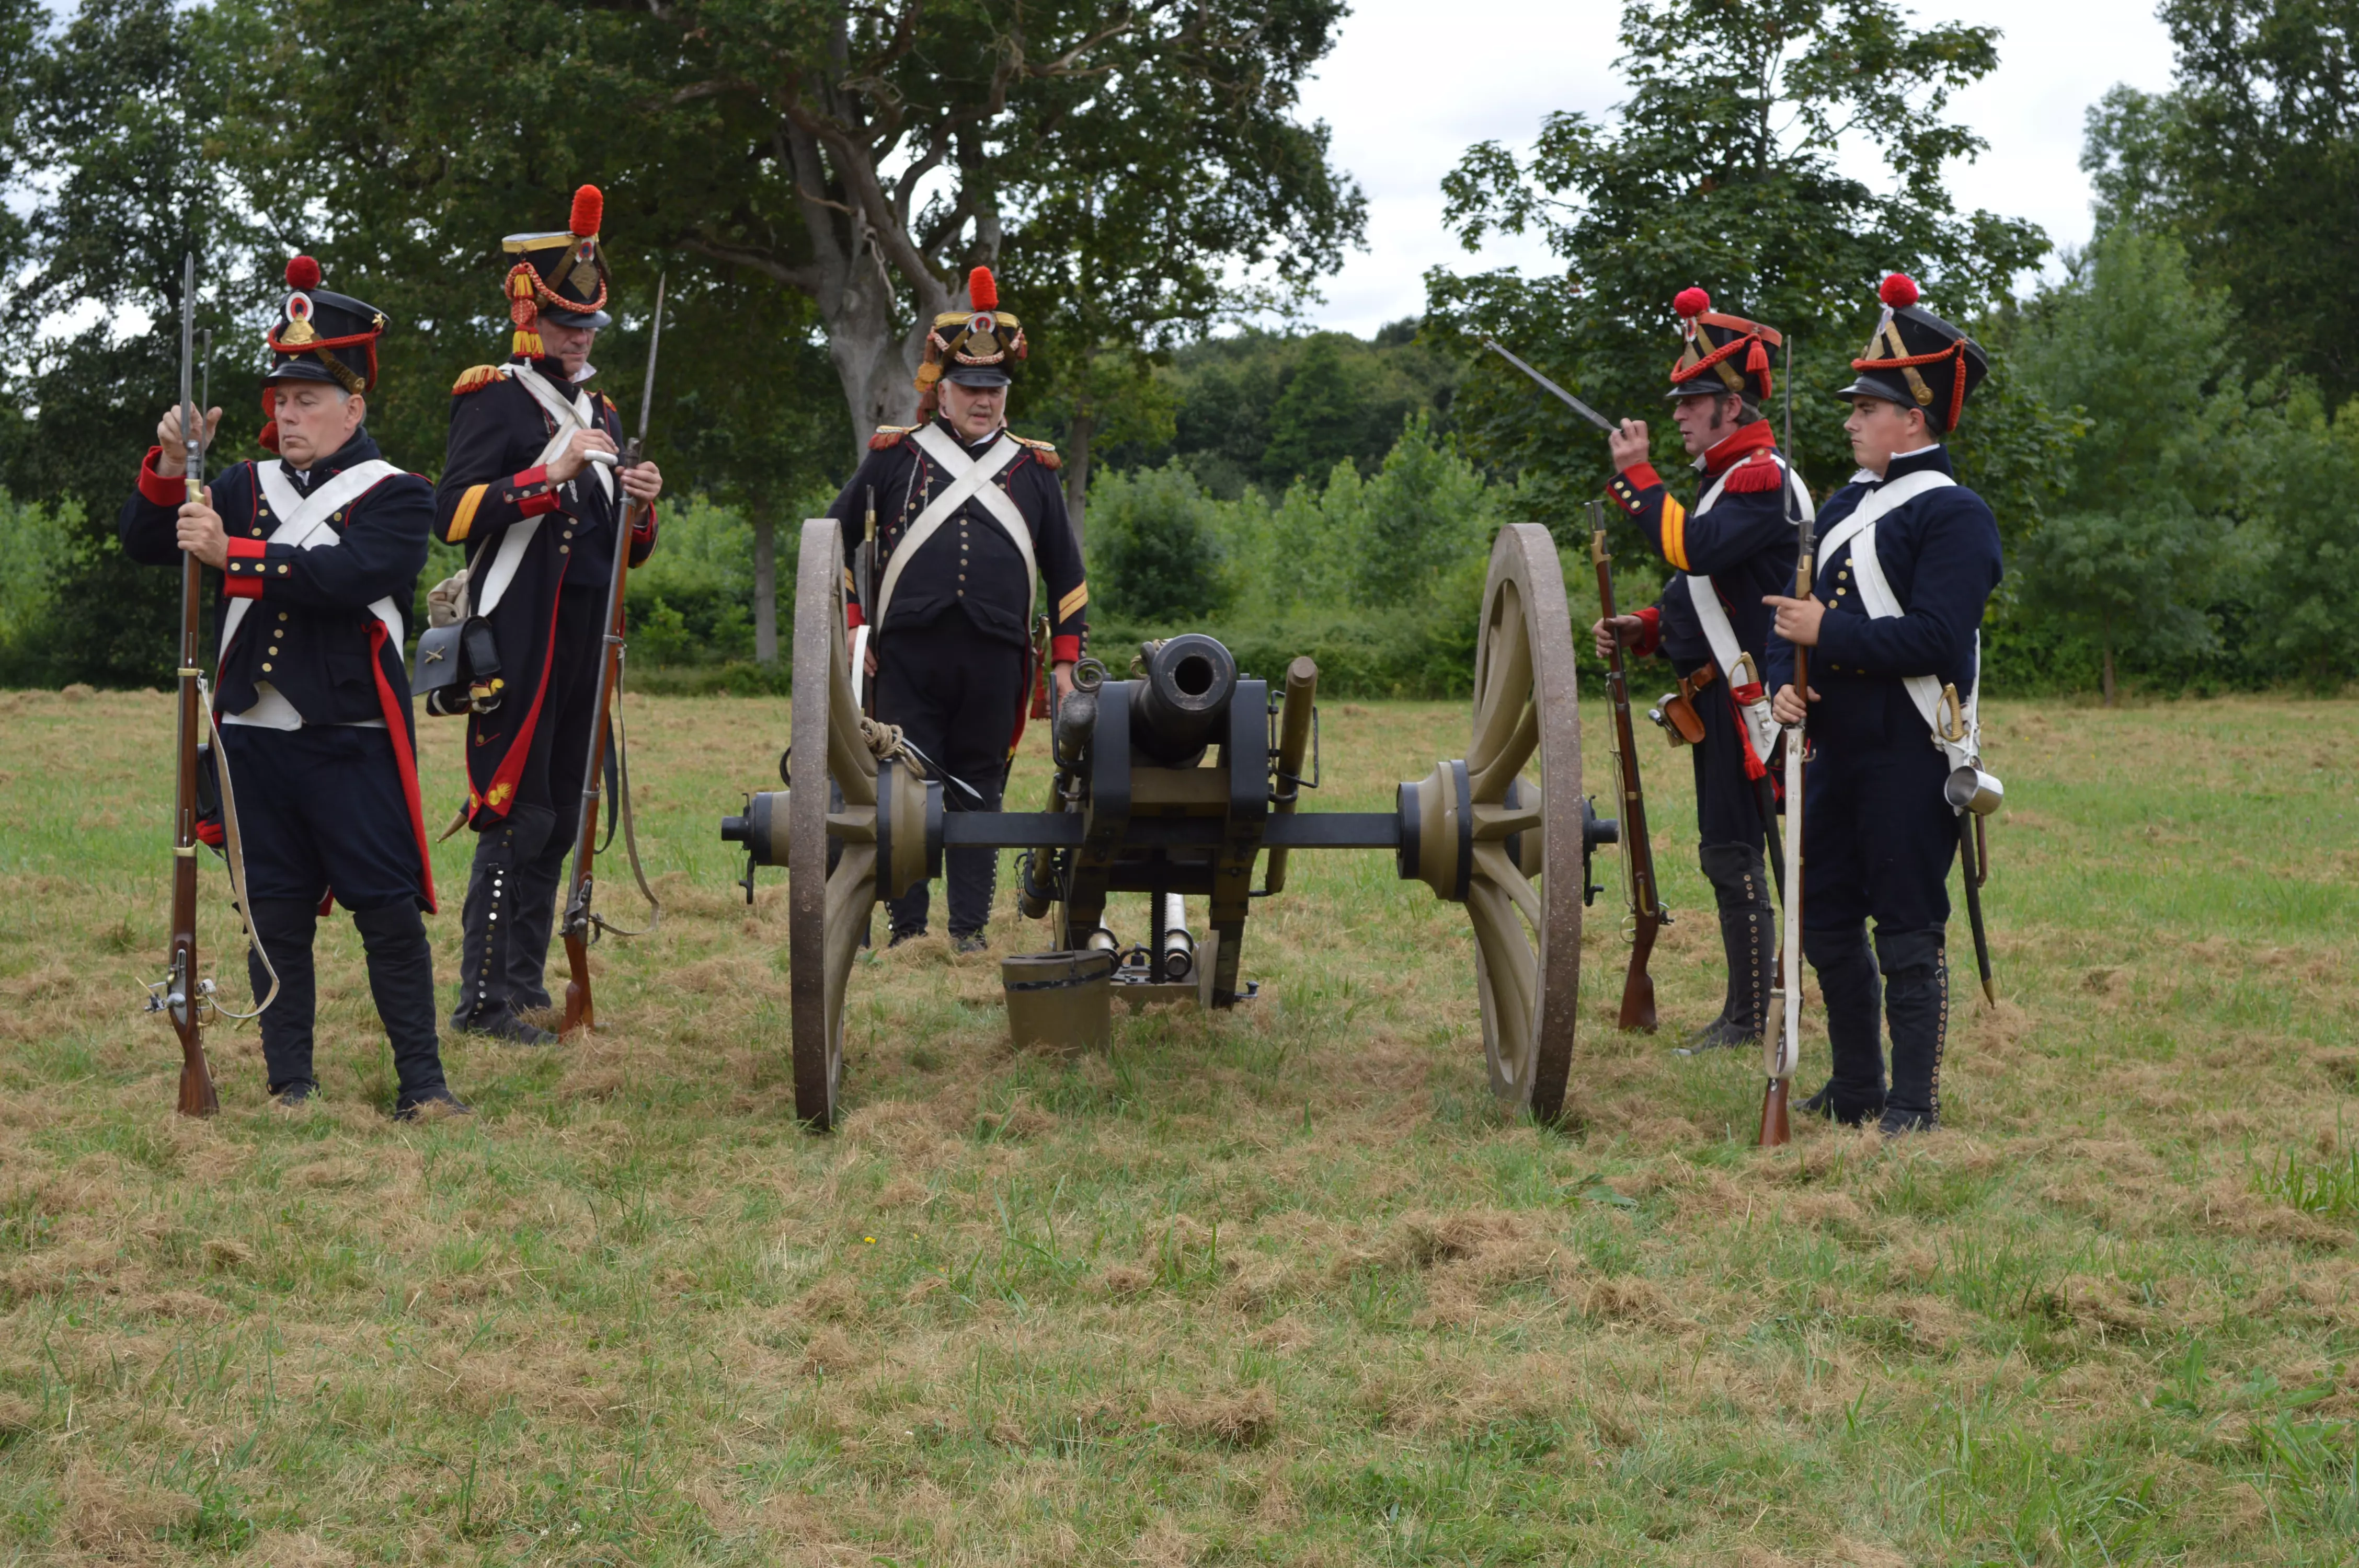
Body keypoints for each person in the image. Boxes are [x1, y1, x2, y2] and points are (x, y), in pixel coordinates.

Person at [118, 256, 463, 1116]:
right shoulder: (239, 485)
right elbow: (145, 544)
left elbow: (347, 576)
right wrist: (168, 464)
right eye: (279, 399)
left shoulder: (400, 497)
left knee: (386, 917)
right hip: (254, 746)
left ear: (354, 406)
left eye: (307, 399)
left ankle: (421, 1085)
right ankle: (290, 1084)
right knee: (274, 920)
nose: (287, 413)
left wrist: (230, 554)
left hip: (353, 740)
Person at [1764, 272, 2002, 1135]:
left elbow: (1938, 639)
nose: (1852, 420)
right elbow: (1791, 620)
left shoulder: (1954, 515)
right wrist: (1782, 679)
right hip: (1832, 745)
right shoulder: (1839, 508)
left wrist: (1827, 633)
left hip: (1907, 749)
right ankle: (1857, 1086)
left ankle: (1913, 1102)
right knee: (1824, 916)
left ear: (1916, 418)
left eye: (1868, 407)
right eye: (1855, 407)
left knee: (1905, 927)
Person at [431, 184, 663, 1044]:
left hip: (584, 648)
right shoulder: (492, 398)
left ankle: (522, 984)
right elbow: (452, 516)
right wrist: (545, 477)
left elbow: (618, 551)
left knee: (562, 814)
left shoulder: (600, 412)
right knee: (512, 811)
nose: (578, 338)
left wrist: (643, 501)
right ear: (532, 315)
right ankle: (482, 998)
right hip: (517, 642)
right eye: (566, 322)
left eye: (589, 326)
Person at [828, 266, 1087, 952]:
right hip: (907, 655)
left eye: (994, 390)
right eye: (970, 388)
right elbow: (830, 544)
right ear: (940, 391)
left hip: (999, 658)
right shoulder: (893, 459)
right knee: (906, 793)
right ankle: (909, 930)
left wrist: (1065, 663)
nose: (983, 401)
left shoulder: (1034, 472)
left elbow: (1067, 575)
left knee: (980, 788)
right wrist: (856, 630)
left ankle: (968, 933)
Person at [1595, 288, 1804, 1053]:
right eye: (1680, 401)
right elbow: (1705, 586)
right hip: (1719, 697)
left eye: (1694, 400)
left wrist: (1637, 479)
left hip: (1753, 701)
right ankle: (1749, 1011)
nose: (1679, 413)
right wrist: (1648, 628)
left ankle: (1753, 1017)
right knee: (1729, 851)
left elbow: (1696, 550)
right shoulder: (1726, 481)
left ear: (1733, 405)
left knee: (1737, 853)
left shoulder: (1759, 478)